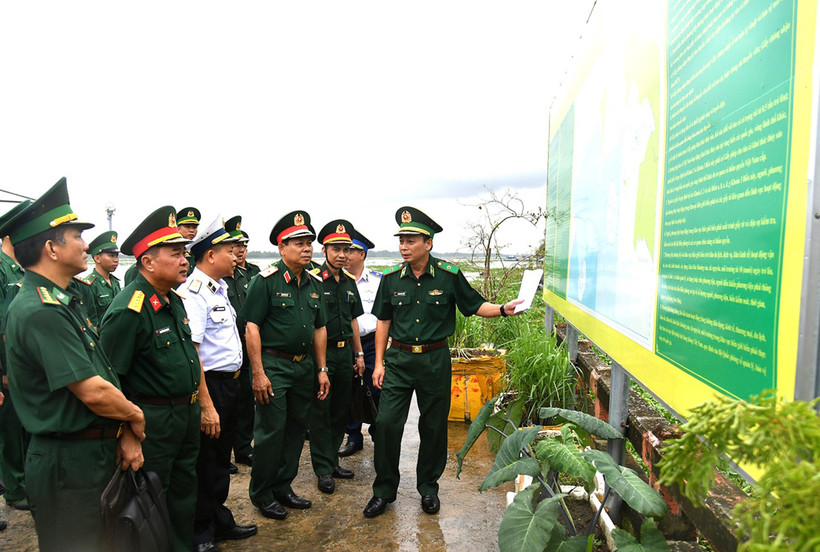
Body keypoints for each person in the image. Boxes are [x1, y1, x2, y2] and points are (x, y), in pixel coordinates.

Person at [4, 178, 144, 551]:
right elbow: (94, 391)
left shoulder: (60, 300)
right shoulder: (40, 309)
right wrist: (135, 417)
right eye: (77, 236)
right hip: (67, 463)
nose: (86, 245)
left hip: (87, 454)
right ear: (51, 247)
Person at [362, 206, 523, 518]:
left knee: (433, 426)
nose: (404, 246)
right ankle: (383, 490)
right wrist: (379, 363)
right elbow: (382, 321)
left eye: (411, 240)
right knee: (385, 425)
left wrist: (504, 308)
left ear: (428, 243)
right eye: (401, 241)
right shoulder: (392, 279)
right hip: (398, 360)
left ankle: (428, 488)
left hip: (435, 360)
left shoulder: (449, 276)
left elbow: (476, 305)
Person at [100, 205, 219, 552]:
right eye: (176, 253)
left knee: (184, 494)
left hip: (185, 415)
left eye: (185, 252)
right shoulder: (128, 310)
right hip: (151, 422)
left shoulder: (173, 301)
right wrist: (126, 434)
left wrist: (205, 404)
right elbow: (111, 380)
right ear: (148, 262)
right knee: (152, 500)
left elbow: (189, 358)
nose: (185, 260)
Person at [239, 210, 329, 520]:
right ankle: (262, 493)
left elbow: (320, 328)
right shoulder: (264, 282)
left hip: (304, 368)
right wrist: (259, 373)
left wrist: (321, 369)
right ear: (282, 247)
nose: (307, 248)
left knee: (294, 430)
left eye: (309, 243)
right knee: (270, 433)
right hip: (273, 367)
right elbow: (251, 327)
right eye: (299, 243)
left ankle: (283, 486)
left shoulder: (315, 283)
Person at [182, 216, 257, 552]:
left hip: (231, 385)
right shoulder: (194, 293)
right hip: (211, 386)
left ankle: (219, 520)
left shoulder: (220, 287)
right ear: (211, 255)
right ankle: (201, 532)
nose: (235, 255)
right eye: (229, 249)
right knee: (206, 462)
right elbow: (194, 354)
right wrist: (206, 403)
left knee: (220, 460)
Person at [308, 220, 365, 494]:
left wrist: (360, 353)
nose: (342, 254)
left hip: (345, 354)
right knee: (322, 411)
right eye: (336, 249)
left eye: (346, 249)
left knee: (341, 410)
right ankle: (322, 469)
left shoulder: (350, 282)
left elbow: (354, 320)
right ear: (324, 250)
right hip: (323, 353)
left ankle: (332, 461)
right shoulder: (314, 280)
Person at [0, 200, 32, 514]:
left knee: (23, 427)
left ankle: (23, 481)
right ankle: (14, 487)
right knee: (10, 430)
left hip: (19, 364)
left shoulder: (17, 268)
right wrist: (6, 370)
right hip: (6, 366)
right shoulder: (0, 267)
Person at [223, 215, 260, 469]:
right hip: (226, 348)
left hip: (248, 346)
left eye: (243, 245)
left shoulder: (254, 274)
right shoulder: (220, 276)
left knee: (247, 401)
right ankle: (224, 454)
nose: (240, 250)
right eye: (235, 246)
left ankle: (244, 449)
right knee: (227, 404)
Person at [340, 228, 381, 457]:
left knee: (376, 388)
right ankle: (353, 436)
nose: (345, 255)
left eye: (350, 250)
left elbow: (387, 314)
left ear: (362, 254)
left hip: (373, 342)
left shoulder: (377, 281)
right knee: (350, 390)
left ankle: (377, 431)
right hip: (346, 344)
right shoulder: (339, 281)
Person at [84, 230, 121, 328]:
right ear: (97, 258)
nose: (116, 260)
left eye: (116, 255)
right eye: (111, 256)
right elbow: (91, 322)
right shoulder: (89, 285)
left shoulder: (115, 282)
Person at [177, 206, 201, 276]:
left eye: (194, 227)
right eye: (187, 227)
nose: (191, 230)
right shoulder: (172, 250)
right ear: (178, 228)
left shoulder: (197, 251)